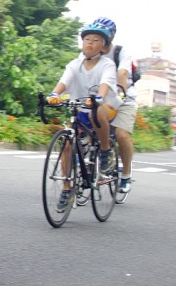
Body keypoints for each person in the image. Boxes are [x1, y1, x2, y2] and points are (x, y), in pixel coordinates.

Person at [46, 22, 123, 211]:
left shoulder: (108, 65)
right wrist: (54, 95)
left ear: (103, 46)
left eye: (96, 40)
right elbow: (64, 81)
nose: (90, 43)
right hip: (81, 107)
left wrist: (98, 97)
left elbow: (105, 84)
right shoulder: (74, 64)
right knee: (68, 145)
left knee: (98, 111)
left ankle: (105, 150)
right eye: (87, 39)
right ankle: (66, 188)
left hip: (105, 106)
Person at [87, 17, 137, 194]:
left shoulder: (121, 52)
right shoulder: (91, 51)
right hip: (100, 98)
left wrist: (120, 91)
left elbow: (122, 73)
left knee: (122, 135)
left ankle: (126, 175)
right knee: (87, 126)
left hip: (124, 98)